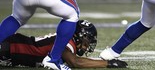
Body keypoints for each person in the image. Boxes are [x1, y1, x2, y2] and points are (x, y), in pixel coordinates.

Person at [0, 20, 128, 68]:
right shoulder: (67, 42)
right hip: (7, 47)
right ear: (78, 36)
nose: (86, 47)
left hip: (11, 48)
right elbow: (75, 62)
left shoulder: (67, 38)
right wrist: (108, 63)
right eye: (85, 43)